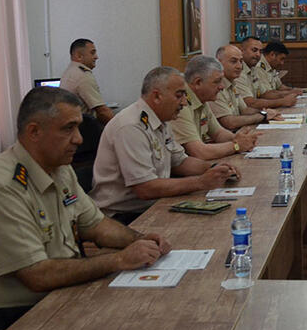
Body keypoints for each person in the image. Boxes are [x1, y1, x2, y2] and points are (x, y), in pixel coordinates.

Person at [0, 88, 171, 330]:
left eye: (78, 127)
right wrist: (120, 259)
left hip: (49, 297)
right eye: (68, 128)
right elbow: (37, 275)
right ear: (34, 132)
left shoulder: (59, 169)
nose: (79, 139)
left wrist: (140, 239)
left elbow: (96, 225)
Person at [89, 66, 240, 224]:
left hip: (154, 204)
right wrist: (200, 182)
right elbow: (145, 188)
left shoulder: (162, 119)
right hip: (123, 217)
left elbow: (180, 161)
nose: (184, 102)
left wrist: (215, 169)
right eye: (179, 95)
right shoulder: (131, 126)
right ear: (156, 96)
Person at [171, 55, 259, 161]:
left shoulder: (201, 97)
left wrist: (239, 138)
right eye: (217, 82)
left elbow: (218, 133)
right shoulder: (181, 104)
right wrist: (236, 146)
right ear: (198, 82)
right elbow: (199, 152)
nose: (222, 87)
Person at [209, 45, 281, 130]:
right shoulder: (215, 86)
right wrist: (262, 116)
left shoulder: (232, 82)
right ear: (218, 63)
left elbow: (244, 110)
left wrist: (265, 112)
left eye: (241, 61)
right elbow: (229, 122)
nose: (239, 66)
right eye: (233, 61)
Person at [60, 38, 114, 124]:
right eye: (92, 53)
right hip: (84, 128)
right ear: (79, 56)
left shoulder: (69, 72)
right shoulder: (82, 75)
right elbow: (102, 112)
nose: (96, 57)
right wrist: (118, 127)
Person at [235, 37, 298, 109]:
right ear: (242, 51)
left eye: (260, 51)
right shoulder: (238, 71)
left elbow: (265, 93)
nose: (258, 54)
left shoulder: (253, 68)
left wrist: (290, 93)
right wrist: (282, 101)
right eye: (254, 50)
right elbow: (250, 103)